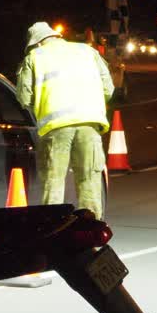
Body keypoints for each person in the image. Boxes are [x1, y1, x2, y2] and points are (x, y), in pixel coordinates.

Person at [16, 21, 114, 217]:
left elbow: (24, 97)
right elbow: (108, 89)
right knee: (89, 182)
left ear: (36, 43)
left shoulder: (35, 57)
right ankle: (92, 232)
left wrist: (41, 104)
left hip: (55, 128)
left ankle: (54, 232)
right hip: (89, 125)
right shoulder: (88, 52)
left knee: (53, 183)